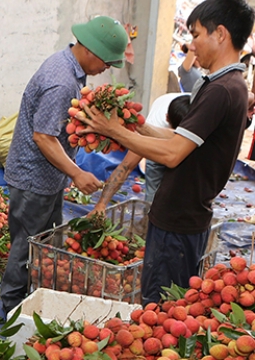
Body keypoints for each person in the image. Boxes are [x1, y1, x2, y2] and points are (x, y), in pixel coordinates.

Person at [78, 0, 255, 305]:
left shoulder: (221, 90)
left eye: (196, 34)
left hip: (178, 221)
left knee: (160, 306)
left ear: (220, 34)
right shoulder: (228, 85)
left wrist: (113, 131)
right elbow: (179, 138)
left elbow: (173, 154)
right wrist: (136, 125)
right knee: (172, 304)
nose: (192, 44)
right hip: (184, 219)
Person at [0, 15, 127, 315]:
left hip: (47, 178)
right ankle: (13, 310)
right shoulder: (62, 81)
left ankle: (36, 295)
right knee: (26, 246)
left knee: (44, 242)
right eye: (107, 62)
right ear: (91, 51)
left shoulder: (69, 67)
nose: (106, 68)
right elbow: (43, 137)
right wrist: (77, 173)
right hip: (34, 179)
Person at [91, 93, 190, 212]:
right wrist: (101, 204)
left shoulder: (201, 126)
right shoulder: (154, 127)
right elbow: (126, 167)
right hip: (170, 212)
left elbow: (126, 167)